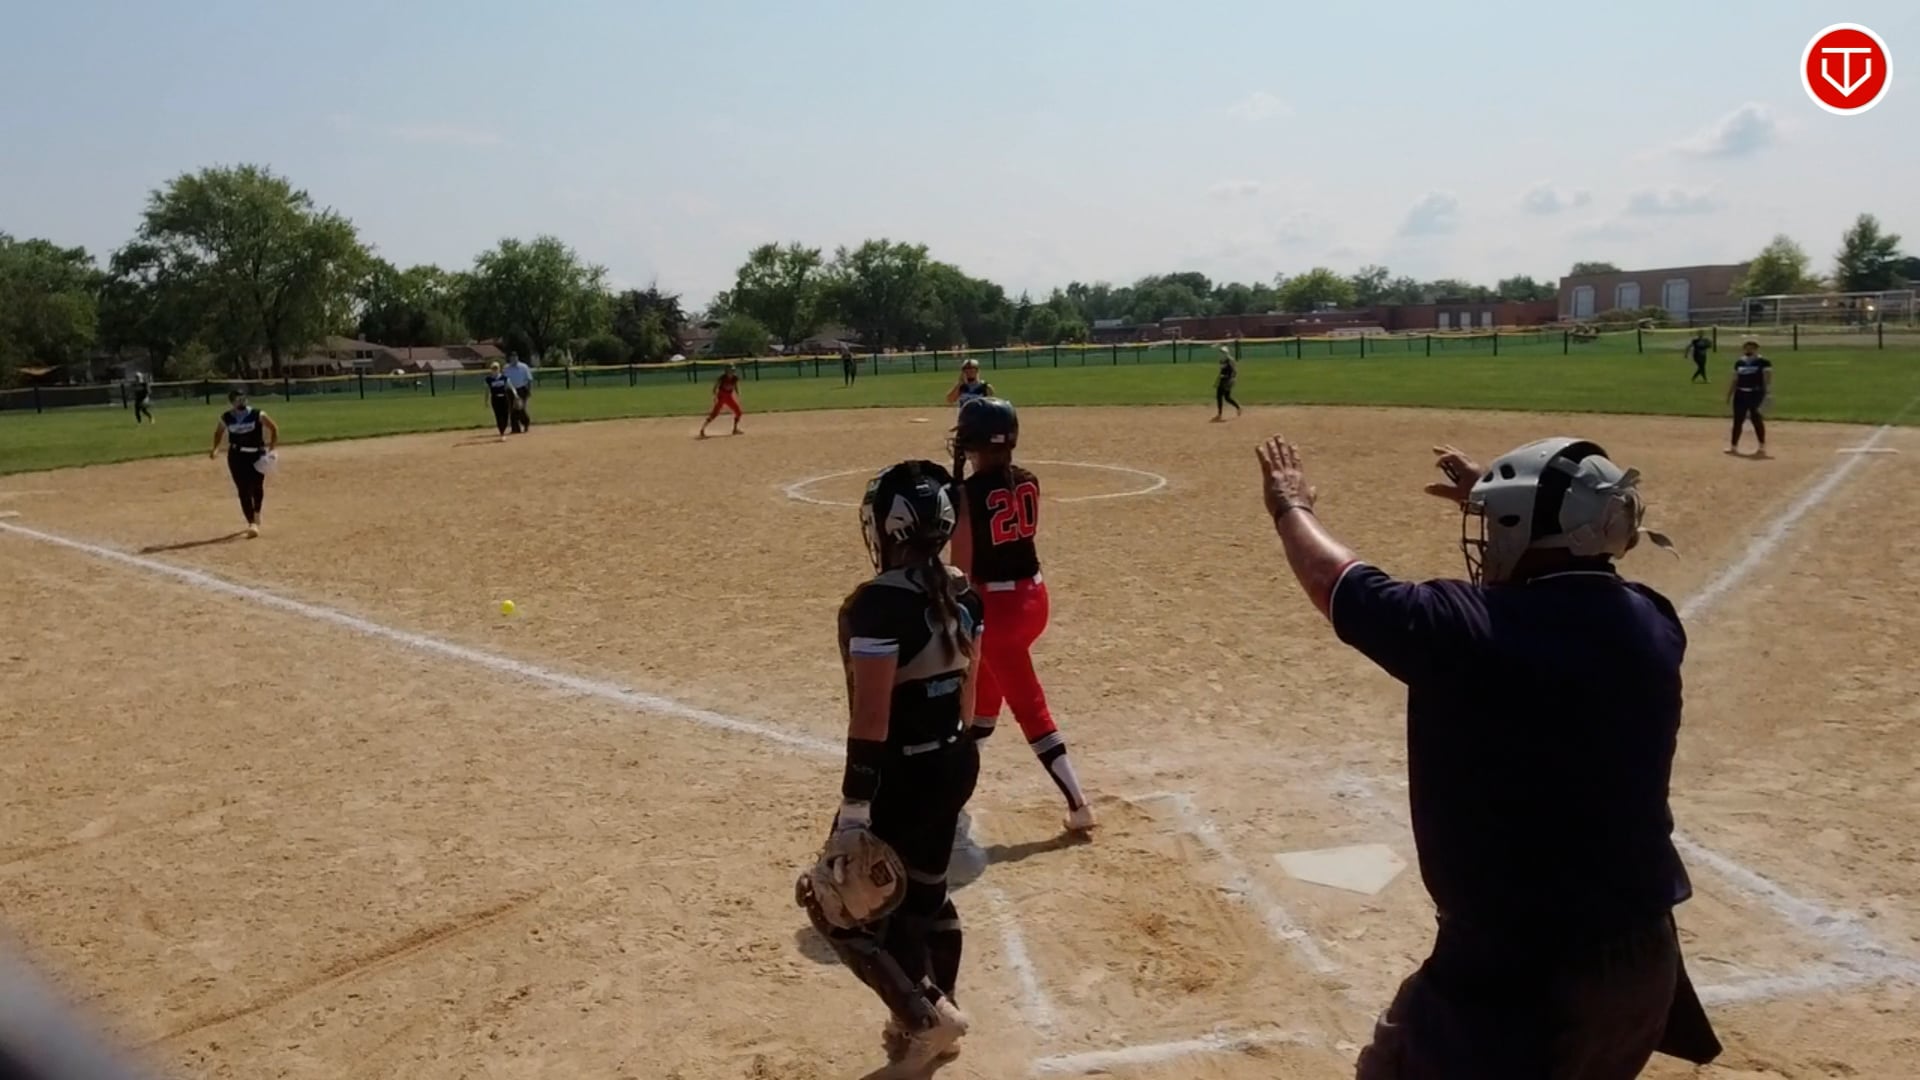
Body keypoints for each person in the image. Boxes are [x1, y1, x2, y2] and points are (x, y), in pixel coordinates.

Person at [1252, 432, 1721, 1080]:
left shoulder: (1465, 630)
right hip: (1644, 968)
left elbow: (1341, 585)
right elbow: (1568, 596)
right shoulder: (1654, 622)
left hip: (1518, 983)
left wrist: (1290, 507)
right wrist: (1523, 511)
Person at [795, 459, 982, 1075]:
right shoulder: (965, 593)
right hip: (955, 761)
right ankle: (938, 1013)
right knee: (926, 895)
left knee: (832, 902)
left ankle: (926, 1019)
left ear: (888, 528)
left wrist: (855, 808)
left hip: (902, 776)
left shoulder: (875, 605)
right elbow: (970, 703)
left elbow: (871, 717)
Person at [948, 397, 1096, 833]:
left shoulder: (966, 495)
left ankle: (1079, 804)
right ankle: (955, 789)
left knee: (1029, 707)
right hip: (1034, 598)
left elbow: (960, 572)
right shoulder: (1028, 480)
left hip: (998, 611)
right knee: (985, 697)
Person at [208, 389, 278, 538]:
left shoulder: (257, 414)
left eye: (243, 398)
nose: (241, 401)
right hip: (237, 456)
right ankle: (251, 523)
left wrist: (271, 449)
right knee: (243, 489)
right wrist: (215, 448)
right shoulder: (226, 417)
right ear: (232, 402)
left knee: (257, 486)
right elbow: (218, 432)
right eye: (237, 399)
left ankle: (257, 512)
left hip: (257, 454)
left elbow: (273, 428)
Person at [1727, 337, 1772, 457]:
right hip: (1740, 393)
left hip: (1755, 393)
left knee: (1756, 418)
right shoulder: (1739, 362)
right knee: (1738, 420)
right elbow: (1735, 379)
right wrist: (1730, 394)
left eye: (1752, 347)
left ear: (1756, 349)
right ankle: (1733, 446)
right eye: (1747, 347)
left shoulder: (1763, 362)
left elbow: (1767, 378)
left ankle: (1762, 446)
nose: (1749, 349)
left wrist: (1767, 393)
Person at [698, 364, 745, 438]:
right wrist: (715, 397)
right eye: (730, 370)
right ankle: (702, 429)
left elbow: (735, 386)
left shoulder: (735, 378)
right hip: (721, 396)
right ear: (726, 371)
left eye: (733, 370)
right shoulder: (722, 378)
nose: (732, 372)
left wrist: (738, 393)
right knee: (714, 414)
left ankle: (735, 429)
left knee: (738, 412)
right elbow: (715, 387)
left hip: (729, 397)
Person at [484, 361, 515, 441]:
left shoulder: (504, 378)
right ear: (491, 369)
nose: (495, 370)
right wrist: (486, 401)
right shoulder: (488, 379)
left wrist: (515, 394)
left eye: (496, 368)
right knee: (498, 416)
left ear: (499, 369)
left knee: (506, 415)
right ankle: (502, 433)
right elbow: (487, 391)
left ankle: (503, 429)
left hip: (504, 398)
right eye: (493, 368)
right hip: (495, 399)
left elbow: (511, 387)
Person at [503, 355, 534, 431]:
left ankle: (526, 423)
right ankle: (515, 428)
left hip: (521, 389)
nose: (514, 359)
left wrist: (529, 390)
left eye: (515, 357)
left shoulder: (523, 367)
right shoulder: (506, 368)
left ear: (517, 358)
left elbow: (529, 379)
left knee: (521, 408)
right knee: (512, 409)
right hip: (510, 390)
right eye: (512, 357)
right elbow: (504, 380)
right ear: (510, 358)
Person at [1214, 344, 1242, 421]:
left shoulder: (1230, 360)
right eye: (1221, 352)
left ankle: (1220, 414)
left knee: (1223, 396)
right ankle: (1238, 408)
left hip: (1228, 380)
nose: (1221, 353)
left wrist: (1231, 379)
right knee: (1225, 397)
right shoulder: (1221, 361)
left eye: (1223, 352)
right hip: (1223, 380)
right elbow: (1222, 371)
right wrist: (1218, 380)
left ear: (1226, 353)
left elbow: (1234, 371)